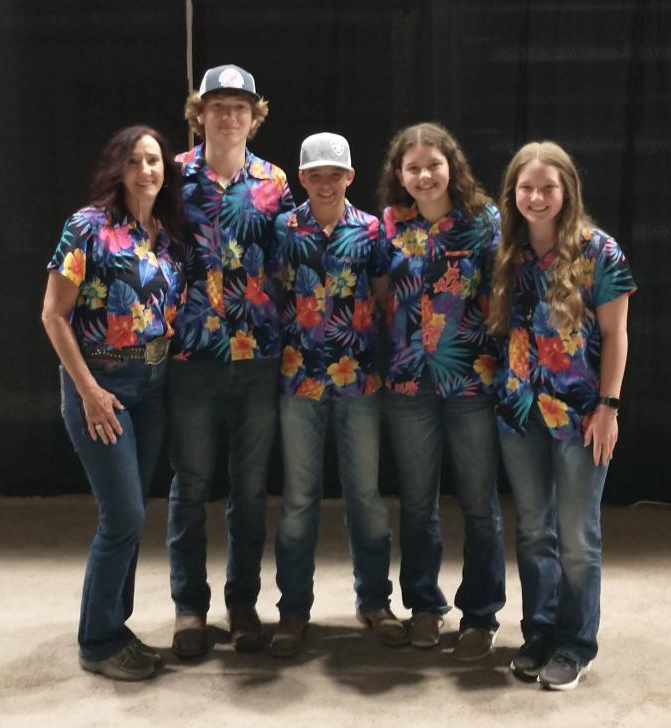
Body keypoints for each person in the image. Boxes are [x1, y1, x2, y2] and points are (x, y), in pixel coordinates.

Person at [487, 141, 636, 690]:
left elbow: (617, 335)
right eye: (526, 187)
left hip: (580, 417)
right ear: (514, 194)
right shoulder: (507, 249)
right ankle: (540, 632)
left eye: (548, 187)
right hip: (519, 415)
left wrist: (609, 406)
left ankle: (576, 643)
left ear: (567, 190)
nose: (537, 196)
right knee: (532, 532)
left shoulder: (600, 252)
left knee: (577, 536)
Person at [41, 125, 184, 680]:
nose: (147, 169)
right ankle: (97, 642)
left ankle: (114, 624)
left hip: (151, 387)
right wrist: (89, 391)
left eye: (155, 160)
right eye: (136, 160)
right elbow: (54, 314)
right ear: (119, 168)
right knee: (122, 514)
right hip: (102, 386)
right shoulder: (88, 227)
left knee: (131, 513)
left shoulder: (166, 237)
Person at [166, 63, 295, 658]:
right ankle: (189, 609)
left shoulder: (274, 181)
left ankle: (241, 603)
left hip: (258, 355)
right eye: (217, 105)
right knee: (191, 485)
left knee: (248, 489)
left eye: (239, 106)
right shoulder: (172, 178)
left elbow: (289, 261)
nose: (229, 115)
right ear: (200, 114)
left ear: (254, 116)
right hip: (192, 355)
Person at [269, 132, 406, 657]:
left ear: (350, 177)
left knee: (366, 498)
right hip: (298, 379)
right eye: (316, 174)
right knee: (299, 501)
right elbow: (273, 292)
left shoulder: (370, 231)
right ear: (302, 178)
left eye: (336, 174)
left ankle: (374, 601)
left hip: (359, 380)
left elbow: (380, 295)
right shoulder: (283, 229)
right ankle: (293, 612)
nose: (326, 183)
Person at [376, 122, 506, 659]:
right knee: (418, 503)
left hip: (470, 380)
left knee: (478, 501)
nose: (425, 175)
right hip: (408, 381)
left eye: (433, 164)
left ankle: (481, 614)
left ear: (451, 164)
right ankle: (425, 606)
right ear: (399, 175)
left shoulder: (485, 223)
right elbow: (377, 295)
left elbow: (506, 293)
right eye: (413, 168)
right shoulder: (387, 225)